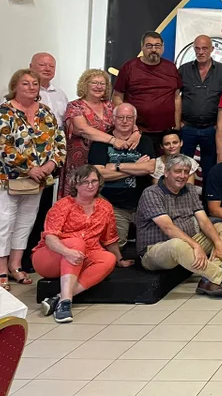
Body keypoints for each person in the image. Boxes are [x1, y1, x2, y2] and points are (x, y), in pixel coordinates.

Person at [137, 154, 222, 296]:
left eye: (186, 172)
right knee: (176, 244)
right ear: (166, 172)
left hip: (189, 242)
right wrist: (195, 246)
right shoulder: (151, 193)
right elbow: (168, 228)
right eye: (178, 171)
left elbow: (204, 220)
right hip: (155, 251)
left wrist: (218, 243)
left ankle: (208, 280)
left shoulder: (189, 190)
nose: (182, 176)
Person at [34, 166, 134, 322]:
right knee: (77, 243)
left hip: (84, 254)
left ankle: (60, 298)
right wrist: (67, 252)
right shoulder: (62, 205)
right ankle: (65, 304)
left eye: (94, 181)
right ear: (75, 184)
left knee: (108, 258)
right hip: (51, 256)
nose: (90, 186)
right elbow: (50, 238)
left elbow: (110, 238)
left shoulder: (105, 207)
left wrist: (119, 259)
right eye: (85, 182)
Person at [0, 69, 65, 291]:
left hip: (39, 179)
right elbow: (4, 146)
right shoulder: (5, 112)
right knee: (5, 222)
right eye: (25, 83)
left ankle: (16, 265)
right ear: (15, 87)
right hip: (9, 178)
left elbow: (59, 141)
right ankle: (1, 269)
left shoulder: (46, 112)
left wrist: (50, 165)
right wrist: (29, 168)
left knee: (26, 222)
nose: (31, 87)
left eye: (34, 84)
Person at [88, 103, 156, 249]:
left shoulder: (144, 141)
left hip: (142, 204)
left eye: (129, 118)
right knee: (116, 247)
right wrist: (136, 166)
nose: (125, 121)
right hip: (113, 204)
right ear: (113, 119)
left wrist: (118, 166)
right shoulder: (101, 143)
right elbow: (100, 174)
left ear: (134, 120)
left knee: (151, 246)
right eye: (120, 117)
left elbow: (149, 168)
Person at [177, 35, 222, 180]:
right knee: (182, 168)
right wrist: (179, 124)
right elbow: (175, 97)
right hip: (187, 128)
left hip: (212, 129)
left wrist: (220, 125)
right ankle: (182, 195)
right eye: (197, 48)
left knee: (211, 170)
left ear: (212, 49)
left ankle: (209, 196)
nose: (200, 52)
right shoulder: (183, 69)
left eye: (204, 48)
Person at [113, 31, 182, 152]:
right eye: (149, 46)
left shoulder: (171, 68)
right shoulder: (129, 67)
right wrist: (129, 125)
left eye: (157, 46)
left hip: (166, 132)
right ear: (142, 47)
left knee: (164, 163)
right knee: (142, 162)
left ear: (163, 48)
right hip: (138, 132)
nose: (153, 49)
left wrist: (176, 127)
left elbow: (176, 97)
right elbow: (117, 97)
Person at [59, 70, 118, 198]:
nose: (99, 86)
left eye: (102, 83)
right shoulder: (75, 106)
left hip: (103, 160)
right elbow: (83, 129)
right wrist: (114, 140)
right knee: (77, 196)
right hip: (80, 160)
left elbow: (125, 121)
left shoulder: (110, 106)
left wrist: (136, 132)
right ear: (85, 85)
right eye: (94, 83)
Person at [30, 53, 69, 128]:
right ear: (31, 67)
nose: (47, 69)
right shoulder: (23, 93)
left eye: (51, 66)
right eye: (42, 65)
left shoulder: (60, 94)